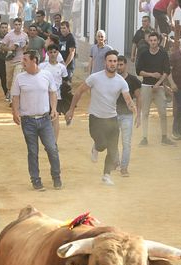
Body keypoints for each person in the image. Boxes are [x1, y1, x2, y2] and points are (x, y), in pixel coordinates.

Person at [67, 50, 136, 187]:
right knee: (102, 144)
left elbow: (127, 98)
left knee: (113, 149)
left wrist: (131, 105)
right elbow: (79, 91)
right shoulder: (95, 78)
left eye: (115, 61)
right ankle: (96, 147)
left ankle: (106, 175)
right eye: (110, 61)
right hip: (96, 118)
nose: (113, 64)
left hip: (112, 118)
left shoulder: (121, 81)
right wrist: (71, 109)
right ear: (105, 62)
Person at [11, 49, 61, 191]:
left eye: (25, 60)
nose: (22, 62)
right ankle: (36, 180)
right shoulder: (20, 78)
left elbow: (53, 93)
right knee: (33, 151)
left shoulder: (47, 75)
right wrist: (15, 112)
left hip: (45, 119)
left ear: (35, 61)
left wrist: (54, 109)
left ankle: (56, 177)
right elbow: (15, 96)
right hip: (28, 121)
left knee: (52, 148)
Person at [136, 31, 173, 146]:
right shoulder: (143, 54)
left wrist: (159, 83)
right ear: (148, 41)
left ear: (158, 41)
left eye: (155, 40)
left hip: (159, 87)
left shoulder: (163, 54)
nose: (153, 42)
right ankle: (144, 137)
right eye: (151, 40)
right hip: (146, 86)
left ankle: (164, 137)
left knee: (163, 113)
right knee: (145, 113)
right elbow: (139, 71)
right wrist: (152, 75)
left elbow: (167, 71)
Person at [115, 54, 142, 177]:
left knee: (126, 143)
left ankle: (124, 168)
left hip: (127, 115)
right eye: (117, 65)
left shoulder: (133, 80)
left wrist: (139, 115)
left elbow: (139, 97)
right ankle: (116, 162)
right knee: (113, 141)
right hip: (113, 114)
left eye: (121, 65)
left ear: (125, 65)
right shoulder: (112, 79)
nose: (119, 67)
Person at [39, 44, 68, 139]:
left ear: (58, 53)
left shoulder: (62, 68)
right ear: (47, 53)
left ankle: (54, 142)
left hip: (57, 96)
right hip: (43, 96)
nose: (52, 54)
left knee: (55, 119)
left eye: (55, 52)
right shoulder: (42, 66)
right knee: (44, 119)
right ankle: (46, 140)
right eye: (50, 52)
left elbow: (65, 81)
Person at [2, 18, 28, 100]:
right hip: (10, 60)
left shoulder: (24, 35)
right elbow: (2, 47)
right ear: (13, 25)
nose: (17, 26)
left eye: (19, 24)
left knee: (16, 78)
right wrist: (10, 48)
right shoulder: (9, 35)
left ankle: (13, 98)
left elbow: (27, 46)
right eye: (16, 24)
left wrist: (25, 47)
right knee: (9, 79)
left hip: (19, 60)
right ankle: (9, 91)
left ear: (21, 25)